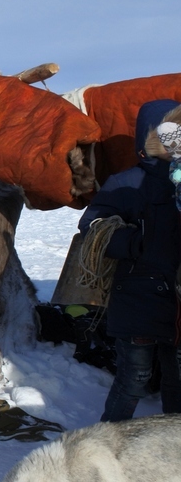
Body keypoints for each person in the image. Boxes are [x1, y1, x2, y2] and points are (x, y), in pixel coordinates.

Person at [78, 99, 181, 422]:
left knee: (177, 379)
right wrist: (136, 243)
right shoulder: (125, 182)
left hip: (177, 300)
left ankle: (172, 448)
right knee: (133, 379)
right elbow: (91, 226)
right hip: (139, 295)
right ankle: (107, 441)